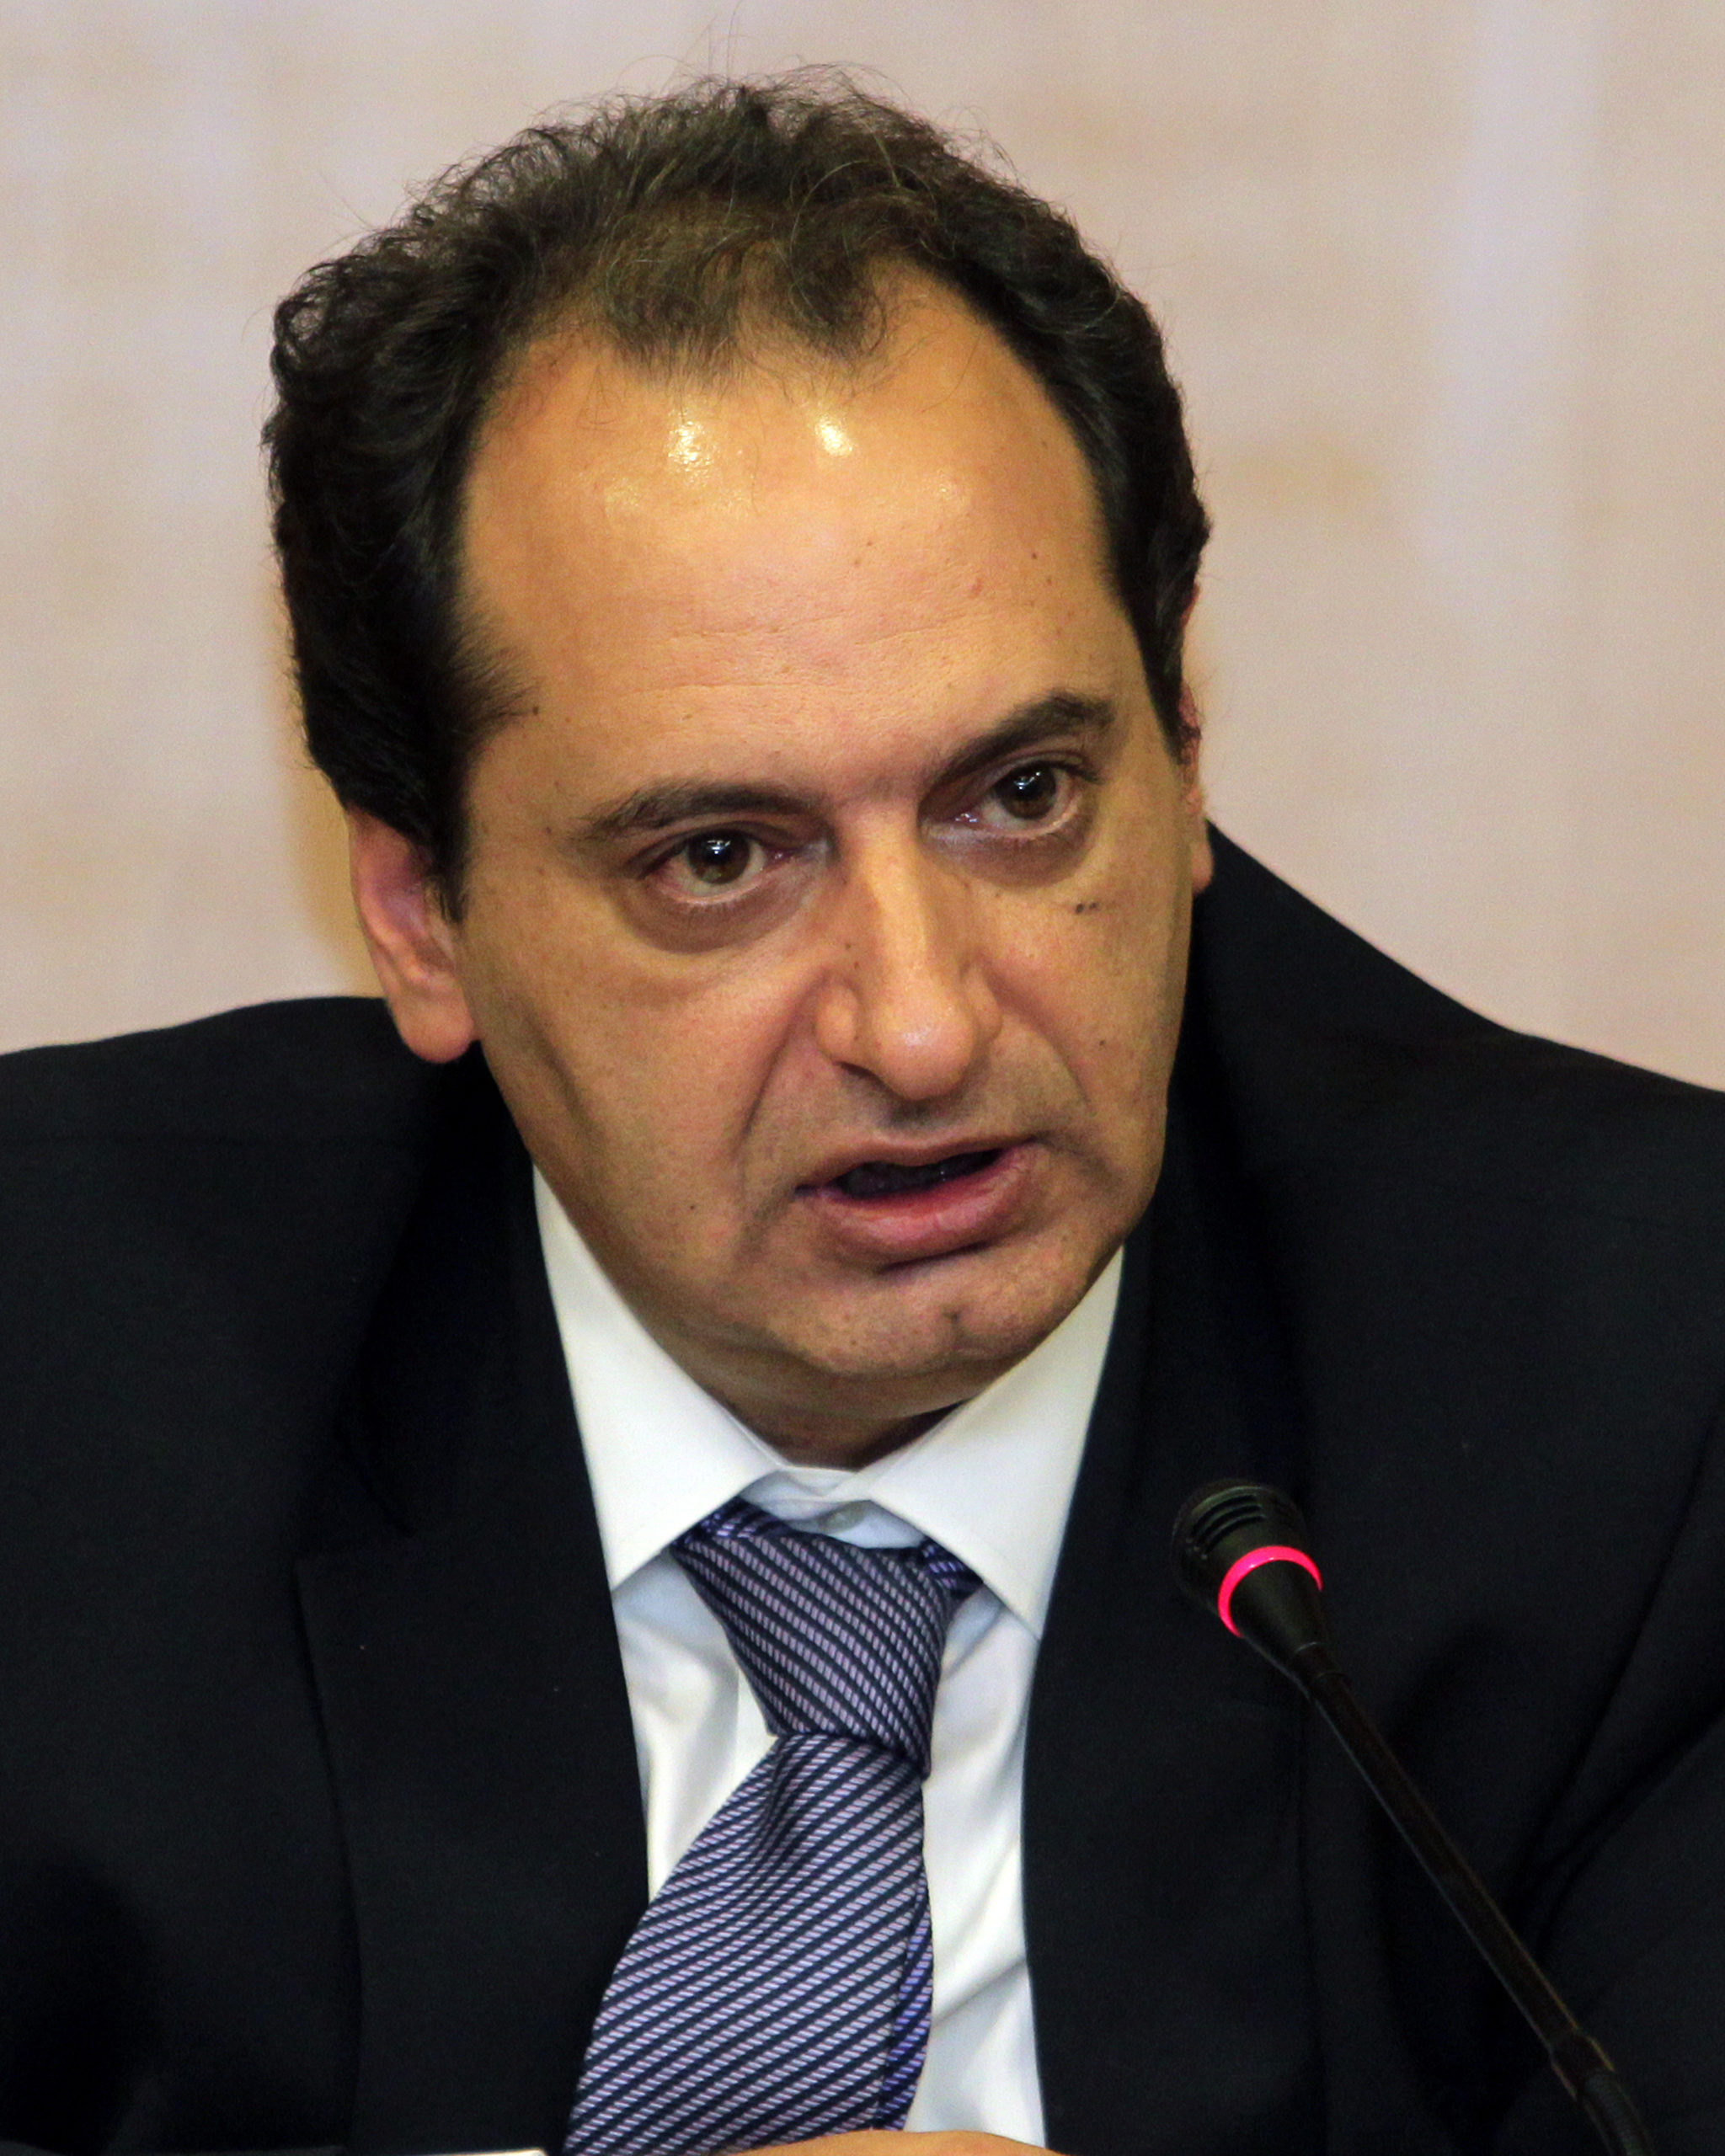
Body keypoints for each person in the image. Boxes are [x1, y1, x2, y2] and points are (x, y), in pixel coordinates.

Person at [2, 75, 1723, 2156]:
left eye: (1022, 796)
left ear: (1183, 754)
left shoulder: (1647, 1393)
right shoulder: (57, 1376)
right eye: (719, 858)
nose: (918, 1024)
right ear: (421, 914)